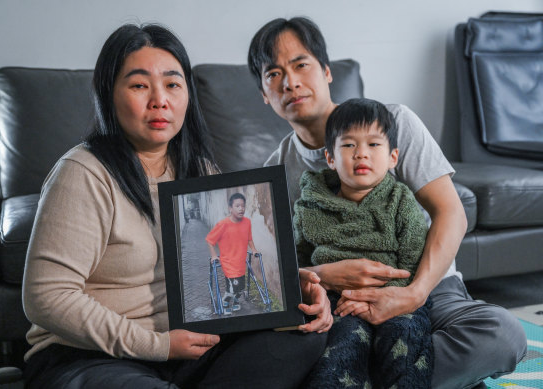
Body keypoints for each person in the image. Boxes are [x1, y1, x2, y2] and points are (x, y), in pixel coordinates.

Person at [22, 23, 331, 389]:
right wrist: (157, 345)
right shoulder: (83, 172)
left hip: (186, 347)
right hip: (90, 355)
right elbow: (46, 298)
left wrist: (285, 294)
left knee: (305, 335)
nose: (159, 100)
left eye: (172, 84)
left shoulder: (198, 169)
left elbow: (223, 259)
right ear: (109, 94)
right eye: (139, 85)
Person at [247, 16, 526, 389]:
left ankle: (358, 378)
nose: (291, 82)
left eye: (301, 65)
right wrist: (325, 275)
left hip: (429, 289)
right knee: (271, 357)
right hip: (339, 306)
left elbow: (451, 213)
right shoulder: (273, 174)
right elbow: (274, 269)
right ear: (265, 95)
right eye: (274, 74)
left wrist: (413, 294)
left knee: (503, 334)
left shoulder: (393, 124)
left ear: (327, 71)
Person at [294, 98, 432, 388]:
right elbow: (299, 261)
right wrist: (324, 289)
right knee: (339, 350)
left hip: (397, 298)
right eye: (348, 145)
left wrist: (384, 297)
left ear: (393, 156)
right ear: (330, 157)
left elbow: (413, 263)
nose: (361, 154)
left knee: (405, 339)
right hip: (337, 302)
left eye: (373, 144)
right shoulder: (310, 205)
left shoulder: (401, 201)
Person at [206, 192, 258, 314]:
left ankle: (235, 302)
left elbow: (249, 239)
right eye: (237, 206)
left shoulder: (247, 222)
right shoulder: (223, 224)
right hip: (228, 263)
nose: (241, 208)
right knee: (231, 288)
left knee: (240, 288)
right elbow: (209, 240)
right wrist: (214, 256)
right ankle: (225, 301)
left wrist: (254, 249)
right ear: (230, 208)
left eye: (243, 206)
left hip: (241, 262)